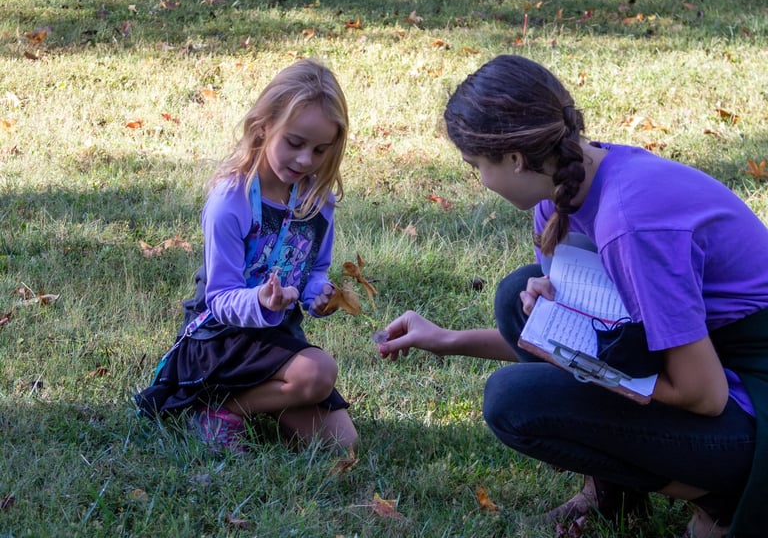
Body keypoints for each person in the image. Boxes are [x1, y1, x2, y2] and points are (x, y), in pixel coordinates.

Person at [377, 54, 768, 538]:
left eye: (476, 164)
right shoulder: (565, 188)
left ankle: (722, 497)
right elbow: (571, 340)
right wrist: (448, 339)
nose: (479, 180)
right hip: (703, 354)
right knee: (516, 299)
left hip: (747, 387)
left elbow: (703, 395)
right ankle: (613, 495)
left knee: (514, 401)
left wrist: (589, 370)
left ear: (515, 159)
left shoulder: (628, 223)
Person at [136, 59, 358, 453]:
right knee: (319, 371)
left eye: (320, 149)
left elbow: (315, 268)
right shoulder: (232, 200)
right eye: (294, 143)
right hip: (219, 341)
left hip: (275, 339)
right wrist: (260, 299)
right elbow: (219, 299)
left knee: (342, 442)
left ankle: (246, 403)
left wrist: (319, 295)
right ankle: (211, 407)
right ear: (262, 128)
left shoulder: (318, 201)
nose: (306, 160)